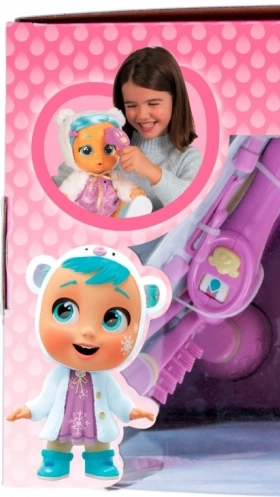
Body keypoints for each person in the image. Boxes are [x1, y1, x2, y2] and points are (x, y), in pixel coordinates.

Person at [6, 245, 167, 480]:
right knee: (58, 439)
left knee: (100, 440)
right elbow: (46, 399)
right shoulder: (57, 377)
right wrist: (29, 410)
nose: (88, 331)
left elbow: (117, 400)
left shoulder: (104, 379)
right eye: (65, 311)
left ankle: (99, 463)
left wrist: (131, 411)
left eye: (112, 319)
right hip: (64, 420)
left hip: (94, 421)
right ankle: (54, 462)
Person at [54, 47, 202, 211]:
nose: (142, 115)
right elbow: (61, 184)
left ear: (176, 100)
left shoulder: (187, 158)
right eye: (131, 105)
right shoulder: (107, 143)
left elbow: (193, 206)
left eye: (153, 103)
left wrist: (153, 172)